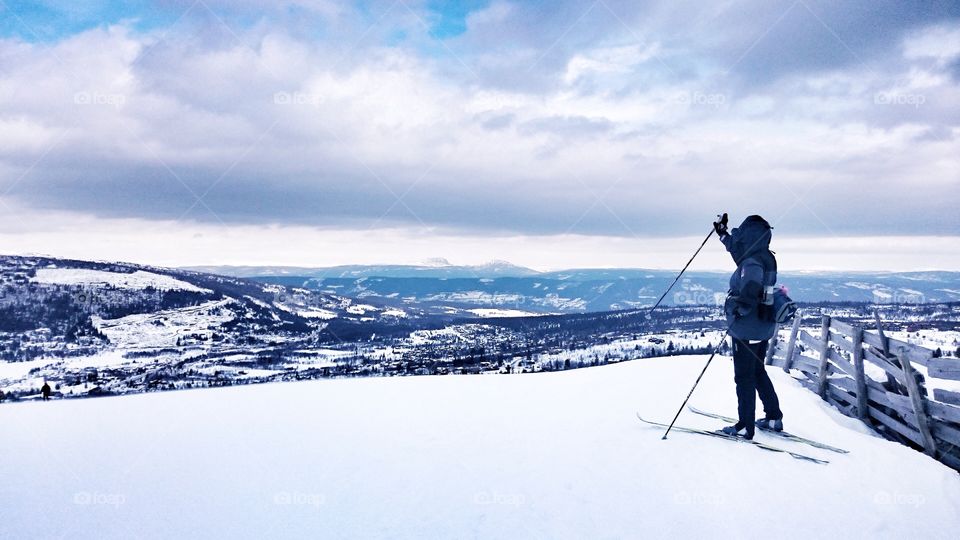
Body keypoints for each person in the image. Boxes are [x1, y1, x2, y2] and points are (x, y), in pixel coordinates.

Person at [713, 214, 784, 439]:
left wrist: (740, 308)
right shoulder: (763, 255)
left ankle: (745, 425)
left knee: (744, 376)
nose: (739, 238)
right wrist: (723, 235)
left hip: (747, 327)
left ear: (749, 236)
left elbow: (751, 286)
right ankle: (773, 417)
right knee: (757, 370)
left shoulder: (752, 261)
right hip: (762, 326)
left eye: (742, 235)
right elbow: (738, 252)